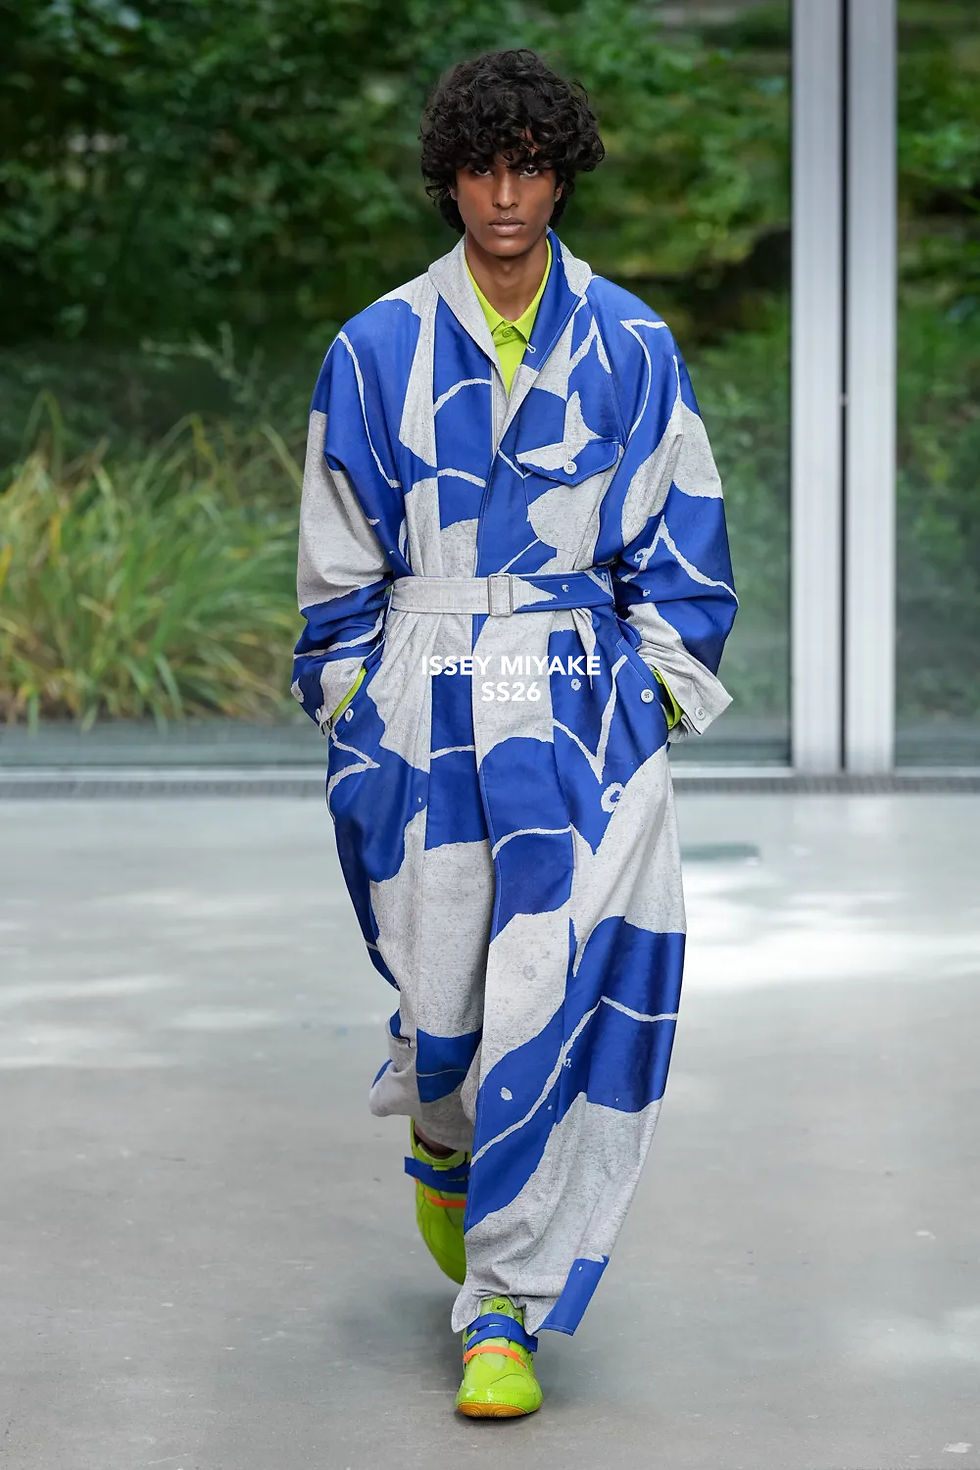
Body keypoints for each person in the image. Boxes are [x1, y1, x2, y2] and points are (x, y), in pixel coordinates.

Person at [290, 47, 738, 1419]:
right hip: (420, 706)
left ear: (561, 177)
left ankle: (506, 1306)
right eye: (482, 169)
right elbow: (335, 552)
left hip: (578, 703)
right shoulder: (374, 347)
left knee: (562, 986)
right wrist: (351, 700)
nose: (504, 195)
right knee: (449, 1008)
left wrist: (653, 696)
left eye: (530, 168)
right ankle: (442, 1133)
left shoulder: (632, 344)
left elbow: (682, 526)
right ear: (449, 178)